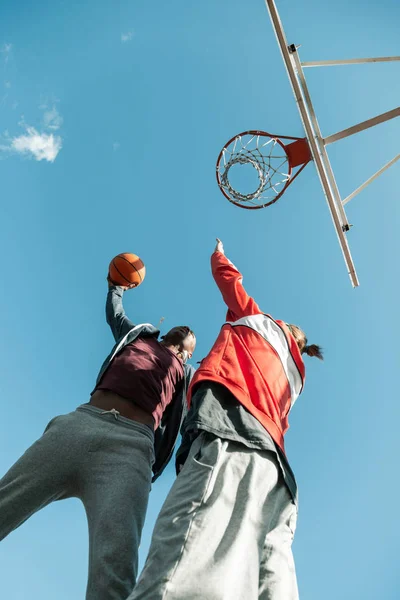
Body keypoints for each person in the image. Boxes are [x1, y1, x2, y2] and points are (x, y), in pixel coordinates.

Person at [128, 238, 323, 600]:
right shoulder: (297, 376)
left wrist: (219, 252)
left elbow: (228, 280)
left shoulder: (260, 324)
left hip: (229, 432)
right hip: (276, 470)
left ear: (285, 327)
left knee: (179, 566)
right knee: (270, 574)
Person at [0, 279, 196, 600]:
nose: (186, 332)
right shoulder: (138, 336)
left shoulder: (186, 374)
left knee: (114, 574)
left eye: (191, 342)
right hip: (79, 426)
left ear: (189, 354)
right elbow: (115, 314)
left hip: (130, 451)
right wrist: (116, 287)